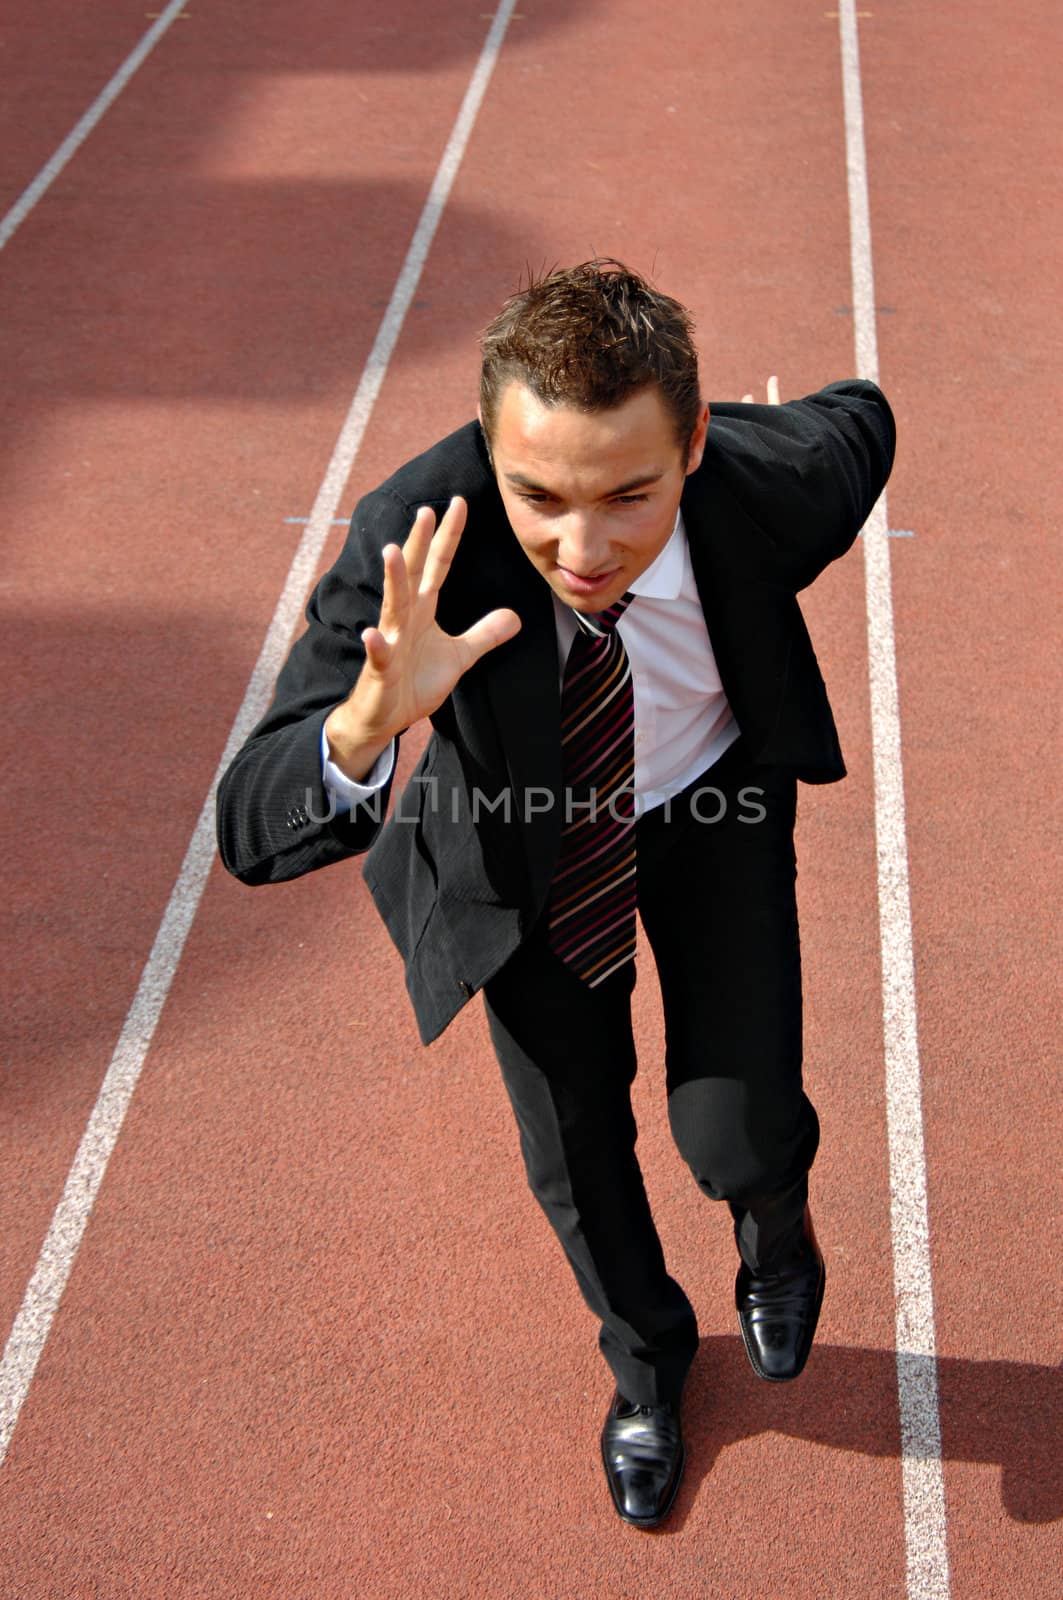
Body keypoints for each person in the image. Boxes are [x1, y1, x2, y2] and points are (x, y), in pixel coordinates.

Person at [216, 259, 895, 1529]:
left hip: (714, 806)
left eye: (629, 495)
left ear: (693, 442)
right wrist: (368, 720)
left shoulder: (778, 484)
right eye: (539, 495)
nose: (582, 549)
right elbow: (248, 827)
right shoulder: (413, 540)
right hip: (519, 854)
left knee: (733, 1131)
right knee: (575, 1150)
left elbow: (863, 413)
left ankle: (776, 1225)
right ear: (488, 445)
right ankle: (646, 1366)